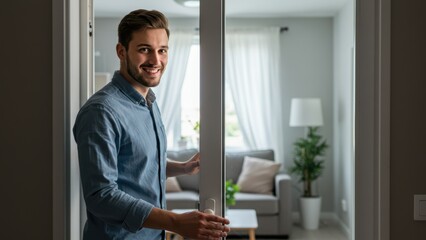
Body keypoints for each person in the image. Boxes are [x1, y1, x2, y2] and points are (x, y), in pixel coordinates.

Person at [73, 9, 230, 240]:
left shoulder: (149, 102)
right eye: (144, 49)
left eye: (162, 50)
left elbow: (136, 165)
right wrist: (176, 222)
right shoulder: (101, 111)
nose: (156, 61)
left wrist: (183, 168)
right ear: (121, 51)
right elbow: (101, 196)